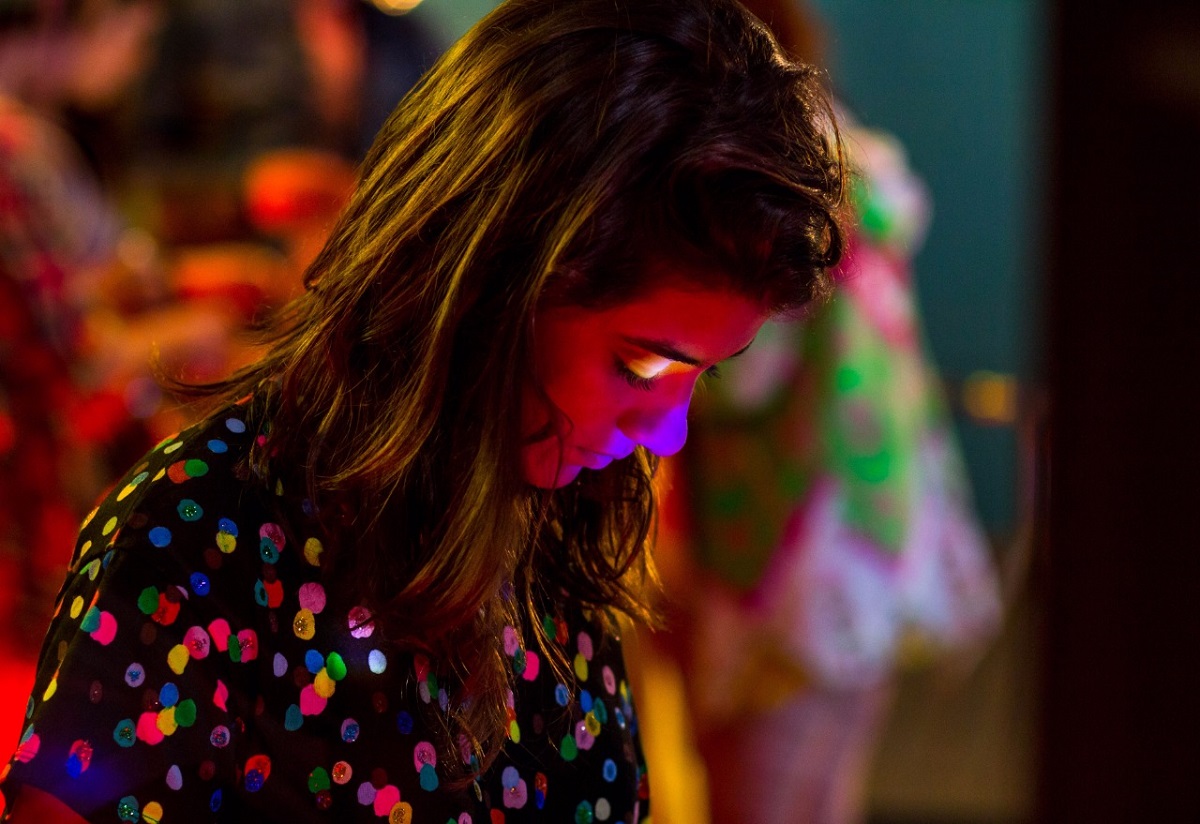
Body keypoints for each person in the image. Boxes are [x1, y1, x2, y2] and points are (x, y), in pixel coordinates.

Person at [0, 0, 847, 821]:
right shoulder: (198, 544)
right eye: (638, 365)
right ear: (485, 281)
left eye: (704, 375)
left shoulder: (550, 537)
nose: (668, 430)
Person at [637, 2, 1002, 822]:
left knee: (761, 797)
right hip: (871, 535)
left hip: (785, 554)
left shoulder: (759, 181)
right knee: (822, 791)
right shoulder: (850, 162)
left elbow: (743, 371)